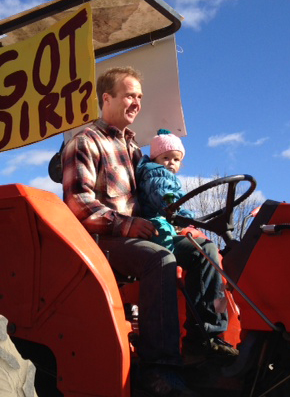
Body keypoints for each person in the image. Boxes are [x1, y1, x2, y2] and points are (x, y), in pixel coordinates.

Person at [62, 66, 196, 397]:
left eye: (139, 96)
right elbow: (79, 204)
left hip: (139, 234)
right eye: (128, 95)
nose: (136, 102)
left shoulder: (136, 151)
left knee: (202, 251)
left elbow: (157, 197)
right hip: (102, 241)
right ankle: (160, 371)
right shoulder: (84, 142)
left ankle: (205, 341)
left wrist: (183, 224)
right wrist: (128, 224)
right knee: (160, 259)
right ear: (106, 98)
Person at [136, 129, 237, 364]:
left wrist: (187, 216)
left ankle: (208, 333)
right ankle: (199, 336)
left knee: (209, 250)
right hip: (157, 230)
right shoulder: (155, 174)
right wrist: (185, 214)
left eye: (176, 159)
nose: (171, 163)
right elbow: (166, 200)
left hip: (171, 228)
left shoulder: (167, 174)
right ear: (155, 158)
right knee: (194, 253)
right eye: (166, 158)